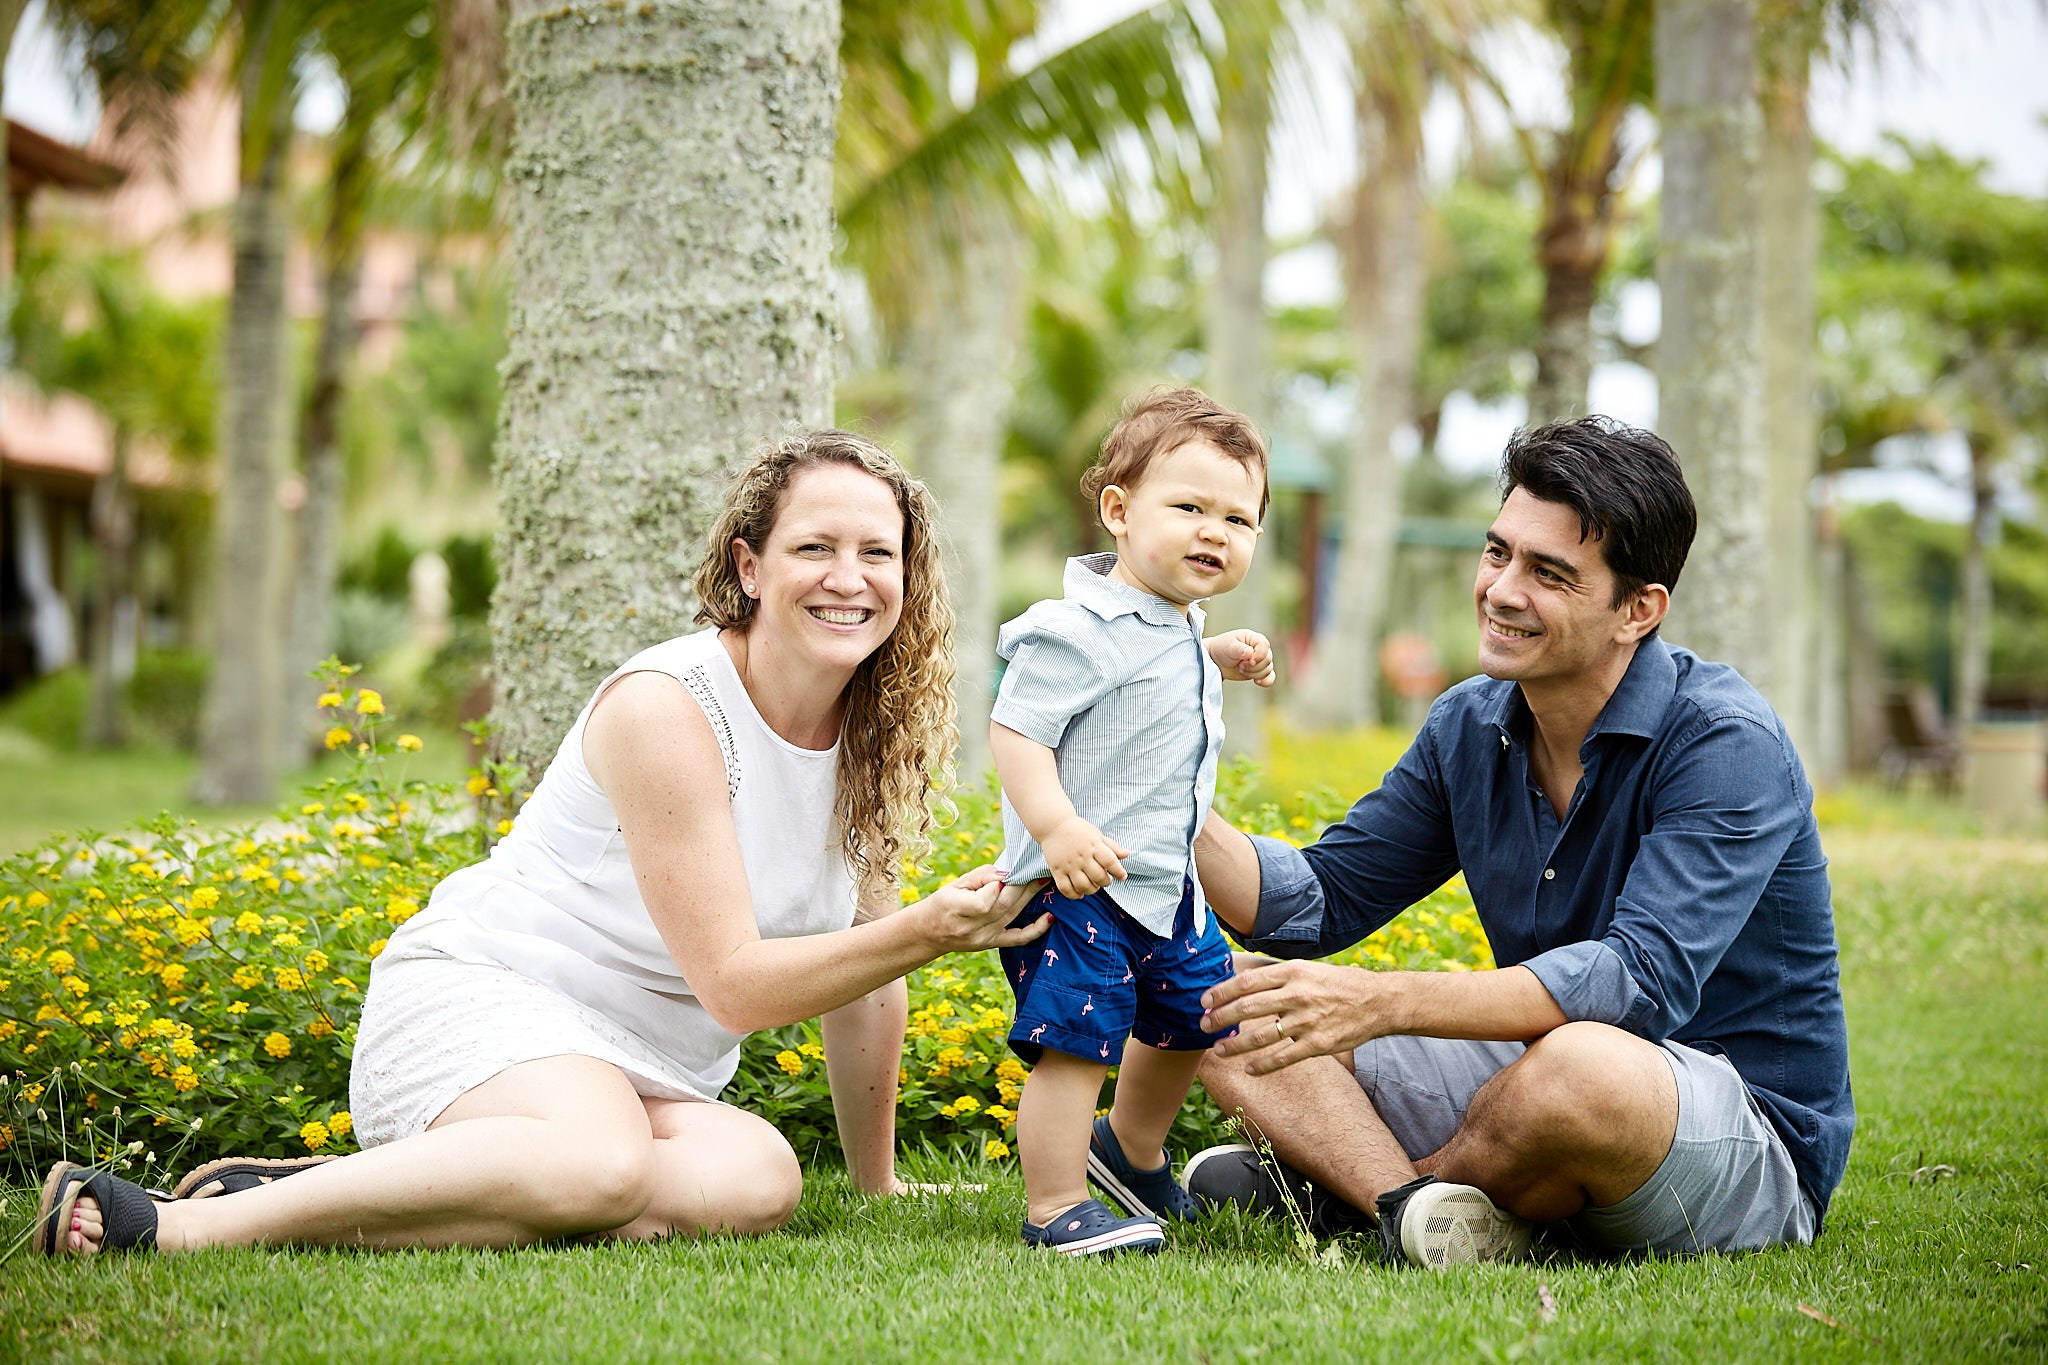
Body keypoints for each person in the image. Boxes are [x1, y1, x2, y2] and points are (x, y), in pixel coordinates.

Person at [35, 429, 1050, 1256]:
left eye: (878, 553)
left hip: (638, 1076)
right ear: (749, 565)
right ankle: (180, 1226)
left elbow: (865, 978)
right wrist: (927, 929)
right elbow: (737, 987)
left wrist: (872, 1186)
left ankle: (351, 1195)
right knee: (600, 1167)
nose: (849, 578)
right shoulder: (668, 707)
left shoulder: (870, 731)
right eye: (814, 548)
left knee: (757, 1179)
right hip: (487, 1002)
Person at [1183, 416, 1854, 1268]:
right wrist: (1168, 803)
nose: (1502, 589)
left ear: (1637, 610)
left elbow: (1632, 981)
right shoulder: (1471, 723)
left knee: (1582, 1069)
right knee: (1213, 997)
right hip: (1535, 1078)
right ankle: (1419, 1213)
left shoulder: (1725, 740)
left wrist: (1381, 999)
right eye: (1498, 552)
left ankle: (1353, 1196)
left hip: (1733, 1125)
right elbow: (1318, 900)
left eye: (1550, 574)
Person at [990, 387, 1276, 1256]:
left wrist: (1214, 657)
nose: (1214, 531)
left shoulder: (1178, 625)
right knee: (1076, 1043)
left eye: (1238, 517)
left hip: (1165, 888)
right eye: (1188, 506)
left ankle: (1132, 1148)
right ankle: (1054, 1205)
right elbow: (1017, 729)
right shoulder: (1075, 629)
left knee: (1200, 1014)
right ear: (1118, 510)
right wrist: (1057, 827)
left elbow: (1155, 670)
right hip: (1080, 885)